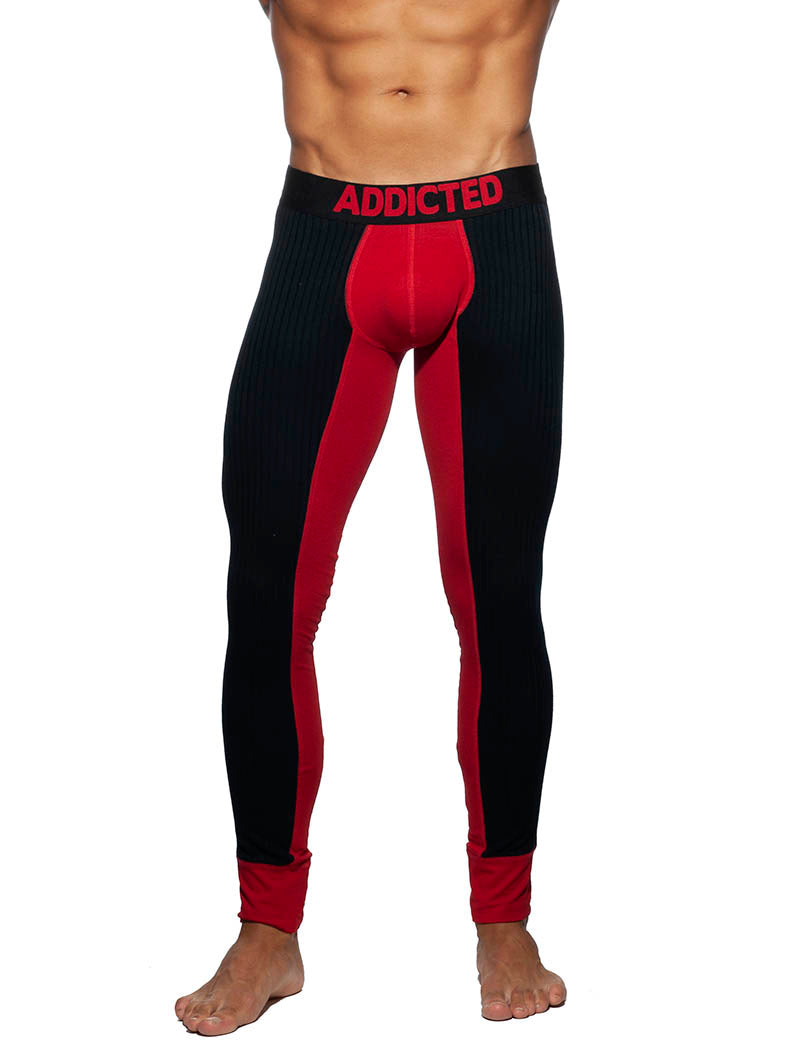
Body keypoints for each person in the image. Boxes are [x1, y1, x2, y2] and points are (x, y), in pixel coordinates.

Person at [176, 0, 567, 1032]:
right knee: (266, 599)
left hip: (494, 239)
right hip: (325, 239)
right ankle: (267, 929)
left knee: (498, 601)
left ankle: (504, 918)